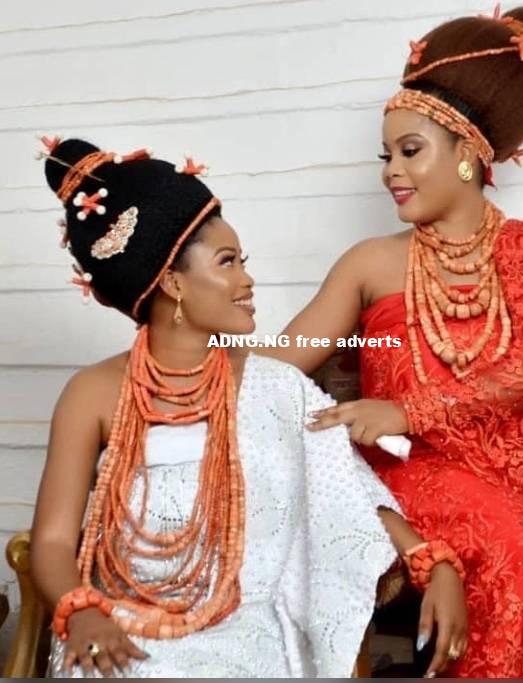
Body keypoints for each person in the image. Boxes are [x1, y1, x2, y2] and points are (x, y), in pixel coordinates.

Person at [30, 137, 467, 678]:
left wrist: (433, 563)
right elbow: (52, 540)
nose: (247, 279)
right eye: (228, 262)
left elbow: (345, 489)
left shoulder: (276, 386)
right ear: (173, 282)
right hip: (118, 631)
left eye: (243, 261)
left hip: (247, 634)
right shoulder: (91, 394)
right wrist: (80, 611)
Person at [263, 5, 523, 678]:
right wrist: (184, 345)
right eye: (386, 154)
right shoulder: (370, 262)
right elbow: (281, 361)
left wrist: (409, 407)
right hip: (407, 474)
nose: (390, 171)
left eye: (410, 150)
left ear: (468, 154)